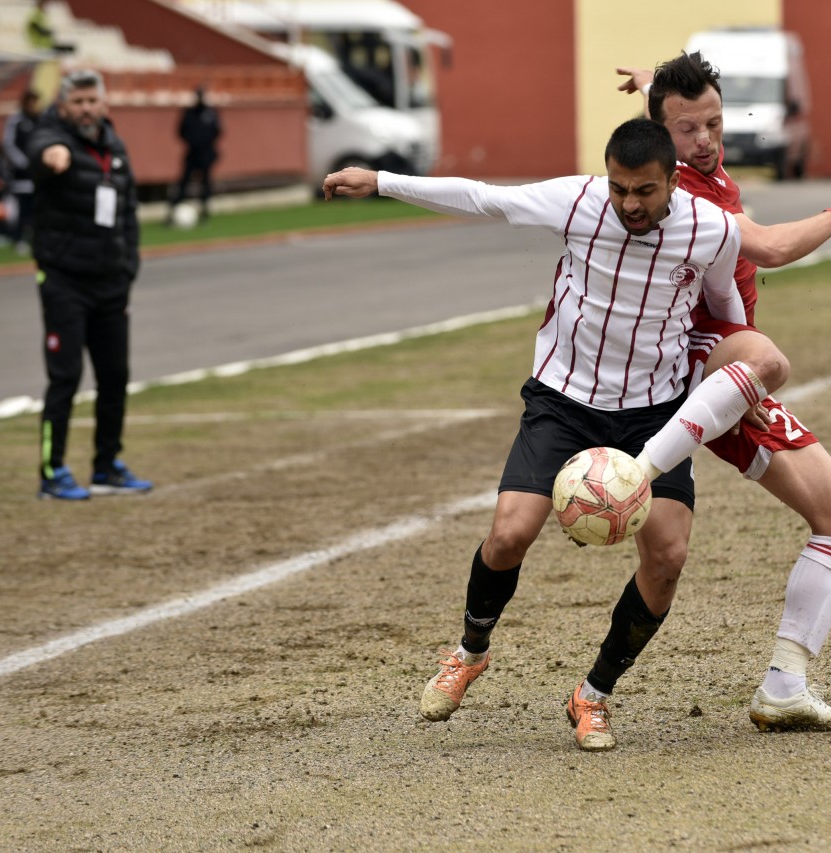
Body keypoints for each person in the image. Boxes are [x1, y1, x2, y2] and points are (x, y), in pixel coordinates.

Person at [324, 118, 783, 751]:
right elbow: (483, 196)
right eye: (620, 189)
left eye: (644, 192)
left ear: (673, 180)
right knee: (510, 534)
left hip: (654, 411)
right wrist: (381, 181)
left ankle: (593, 696)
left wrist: (744, 380)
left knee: (668, 557)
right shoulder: (577, 201)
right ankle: (470, 649)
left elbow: (727, 312)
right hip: (563, 401)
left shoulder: (714, 229)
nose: (629, 204)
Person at [618, 52, 831, 732]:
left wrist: (655, 86)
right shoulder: (687, 195)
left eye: (714, 124)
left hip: (721, 374)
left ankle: (783, 684)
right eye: (687, 131)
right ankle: (784, 683)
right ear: (659, 140)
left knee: (669, 553)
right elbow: (765, 247)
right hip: (718, 380)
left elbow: (677, 115)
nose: (705, 140)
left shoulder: (693, 162)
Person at [29, 70, 152, 500]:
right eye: (76, 102)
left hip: (111, 282)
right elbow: (41, 148)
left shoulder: (114, 145)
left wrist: (128, 265)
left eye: (90, 100)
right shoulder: (51, 136)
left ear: (103, 104)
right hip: (65, 279)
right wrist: (53, 155)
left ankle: (107, 466)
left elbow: (128, 209)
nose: (84, 109)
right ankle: (53, 471)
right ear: (63, 106)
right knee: (66, 376)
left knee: (115, 376)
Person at [169, 86, 221, 223]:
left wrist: (205, 142)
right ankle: (173, 209)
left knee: (205, 182)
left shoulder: (211, 113)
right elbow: (181, 131)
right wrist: (193, 141)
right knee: (183, 182)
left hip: (206, 153)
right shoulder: (189, 113)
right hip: (192, 152)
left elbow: (218, 131)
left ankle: (204, 210)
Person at [2, 89, 42, 253]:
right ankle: (18, 239)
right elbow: (8, 145)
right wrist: (24, 163)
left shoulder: (41, 120)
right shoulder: (16, 120)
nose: (33, 105)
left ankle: (36, 239)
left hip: (38, 176)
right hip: (21, 177)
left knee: (37, 210)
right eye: (31, 101)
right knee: (22, 210)